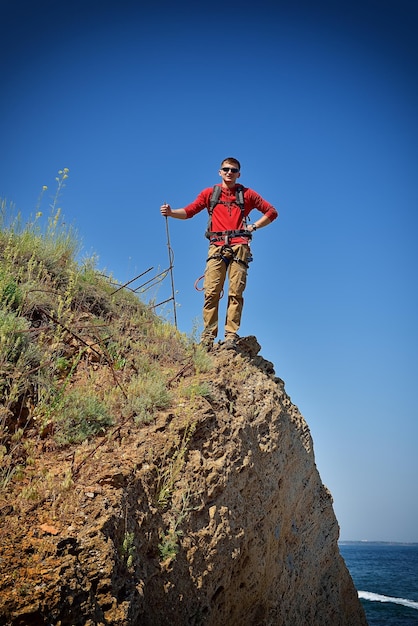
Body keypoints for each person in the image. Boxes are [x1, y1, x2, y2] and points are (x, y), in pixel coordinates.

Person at [160, 157, 278, 349]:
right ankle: (208, 337)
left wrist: (253, 226)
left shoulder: (247, 194)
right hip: (216, 246)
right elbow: (190, 211)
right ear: (220, 172)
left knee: (235, 292)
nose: (229, 173)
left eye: (233, 170)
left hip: (239, 245)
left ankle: (230, 335)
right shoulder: (210, 193)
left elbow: (272, 212)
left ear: (239, 174)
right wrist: (171, 212)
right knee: (211, 292)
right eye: (226, 169)